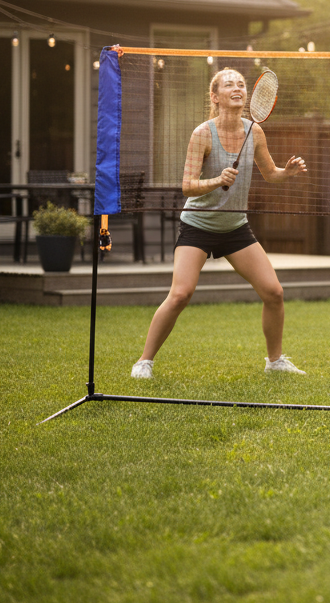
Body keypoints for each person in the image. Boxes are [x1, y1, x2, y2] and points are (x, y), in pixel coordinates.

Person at [130, 68, 307, 379]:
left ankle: (275, 361)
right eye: (229, 85)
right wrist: (216, 180)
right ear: (215, 96)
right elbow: (187, 186)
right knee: (180, 294)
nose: (237, 88)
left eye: (241, 84)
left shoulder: (255, 132)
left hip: (234, 227)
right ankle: (144, 362)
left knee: (274, 292)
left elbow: (270, 173)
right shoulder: (202, 134)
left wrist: (286, 173)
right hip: (198, 226)